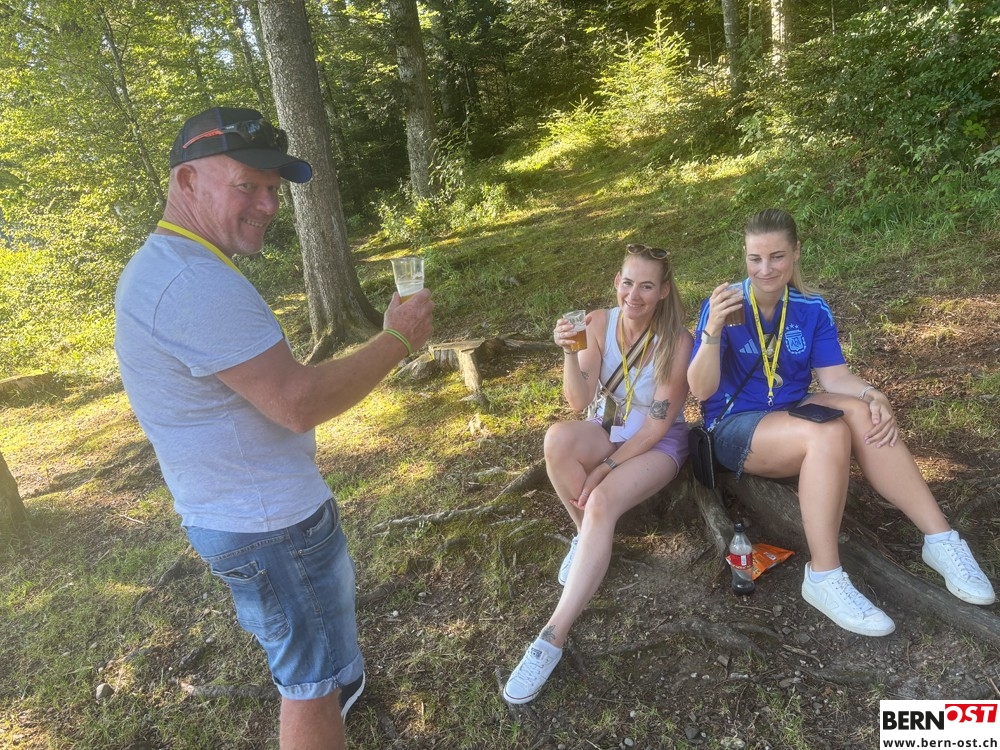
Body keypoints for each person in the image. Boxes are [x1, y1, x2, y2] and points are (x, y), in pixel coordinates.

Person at [114, 106, 433, 750]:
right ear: (187, 181)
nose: (267, 204)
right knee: (309, 685)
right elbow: (296, 402)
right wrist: (398, 340)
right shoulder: (192, 281)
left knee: (320, 659)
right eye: (248, 185)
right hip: (269, 528)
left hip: (244, 514)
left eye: (272, 187)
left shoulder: (169, 264)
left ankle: (344, 685)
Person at [687, 208, 994, 637]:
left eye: (777, 257)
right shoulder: (725, 306)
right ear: (745, 256)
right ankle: (824, 575)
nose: (765, 269)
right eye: (755, 258)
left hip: (791, 408)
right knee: (827, 432)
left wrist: (872, 393)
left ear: (796, 253)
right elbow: (700, 390)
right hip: (735, 423)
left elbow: (835, 379)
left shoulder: (810, 307)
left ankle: (940, 540)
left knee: (862, 412)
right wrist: (713, 332)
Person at [502, 243, 692, 705]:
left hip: (655, 443)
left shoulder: (677, 341)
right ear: (616, 283)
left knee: (602, 499)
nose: (634, 295)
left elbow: (656, 427)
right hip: (606, 429)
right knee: (556, 439)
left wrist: (605, 468)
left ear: (664, 291)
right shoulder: (599, 323)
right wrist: (570, 352)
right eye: (628, 283)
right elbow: (577, 401)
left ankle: (552, 637)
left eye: (647, 286)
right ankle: (587, 540)